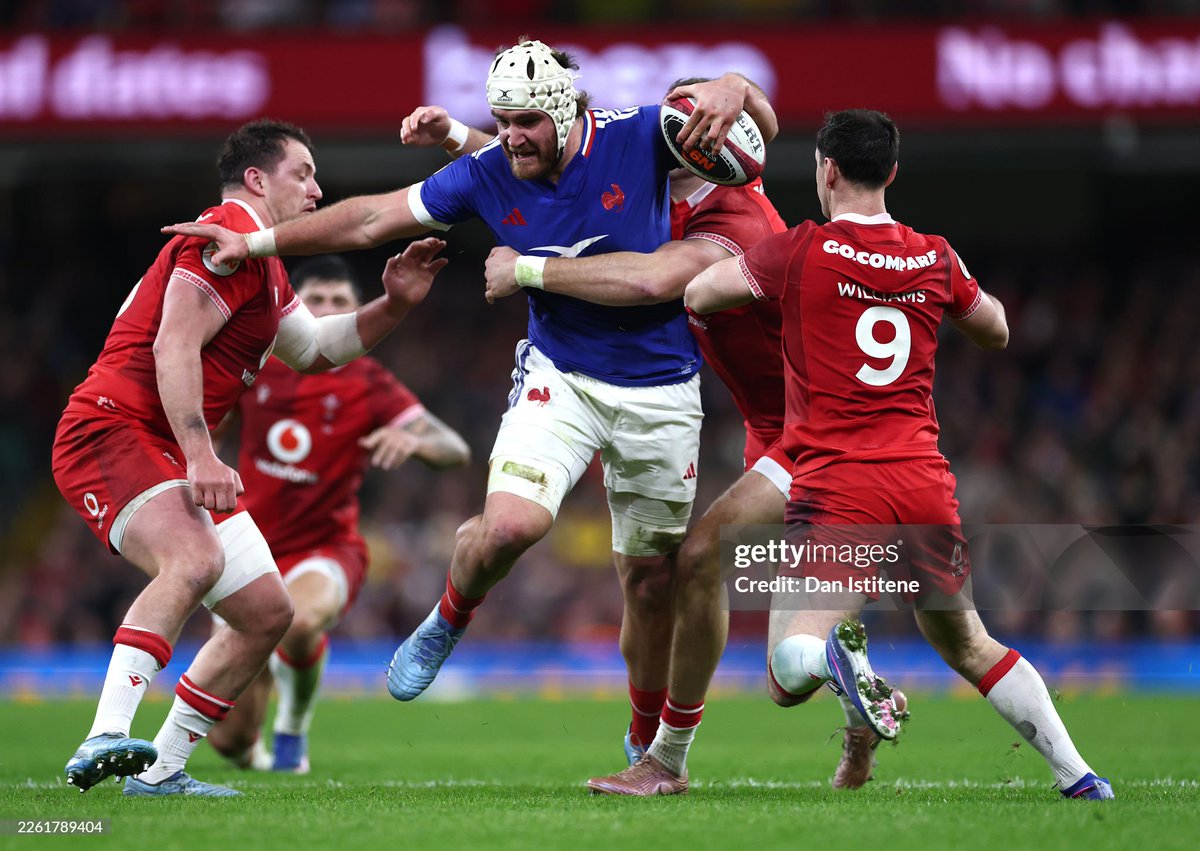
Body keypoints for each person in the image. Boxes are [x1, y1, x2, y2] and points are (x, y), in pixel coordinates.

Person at [161, 38, 777, 741]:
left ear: (570, 112)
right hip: (560, 373)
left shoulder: (640, 137)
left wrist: (736, 84)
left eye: (527, 123)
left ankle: (643, 740)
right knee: (513, 527)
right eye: (500, 120)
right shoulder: (489, 170)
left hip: (661, 387)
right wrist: (261, 244)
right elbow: (371, 217)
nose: (511, 136)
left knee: (649, 582)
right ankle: (449, 613)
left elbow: (710, 195)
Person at [411, 97, 899, 795]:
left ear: (711, 144)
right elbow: (566, 175)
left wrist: (527, 269)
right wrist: (462, 138)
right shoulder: (674, 199)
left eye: (688, 124)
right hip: (780, 431)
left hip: (817, 432)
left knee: (696, 559)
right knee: (784, 676)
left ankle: (665, 758)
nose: (664, 136)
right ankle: (856, 707)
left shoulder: (737, 219)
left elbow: (652, 279)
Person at [683, 108, 1113, 801]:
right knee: (970, 643)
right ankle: (1080, 775)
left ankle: (838, 659)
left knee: (786, 673)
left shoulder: (801, 249)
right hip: (921, 482)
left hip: (838, 485)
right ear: (891, 171)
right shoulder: (933, 254)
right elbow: (996, 328)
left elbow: (702, 292)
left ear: (826, 170)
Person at [51, 119, 447, 796]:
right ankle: (105, 733)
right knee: (194, 558)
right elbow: (172, 344)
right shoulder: (221, 237)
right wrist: (203, 453)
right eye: (305, 173)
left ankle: (159, 771)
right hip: (112, 429)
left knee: (267, 612)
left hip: (165, 443)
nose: (318, 190)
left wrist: (394, 305)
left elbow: (315, 348)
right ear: (258, 179)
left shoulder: (261, 258)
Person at [207, 255, 471, 774]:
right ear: (293, 310)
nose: (328, 312)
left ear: (357, 315)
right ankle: (255, 742)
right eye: (316, 302)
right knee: (230, 743)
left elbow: (454, 448)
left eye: (340, 303)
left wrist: (411, 438)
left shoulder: (367, 381)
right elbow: (206, 422)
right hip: (244, 548)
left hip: (325, 549)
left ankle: (295, 724)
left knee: (299, 622)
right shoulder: (256, 364)